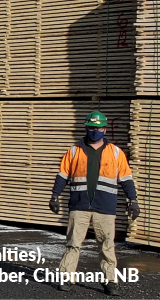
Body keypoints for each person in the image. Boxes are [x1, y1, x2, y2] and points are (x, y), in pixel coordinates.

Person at [50, 111, 139, 296]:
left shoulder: (116, 152)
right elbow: (62, 176)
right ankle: (66, 278)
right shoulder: (74, 150)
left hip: (104, 207)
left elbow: (126, 179)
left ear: (105, 129)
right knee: (73, 243)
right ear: (86, 128)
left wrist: (133, 200)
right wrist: (55, 196)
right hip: (79, 205)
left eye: (98, 128)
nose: (95, 131)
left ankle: (110, 281)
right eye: (91, 128)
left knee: (106, 244)